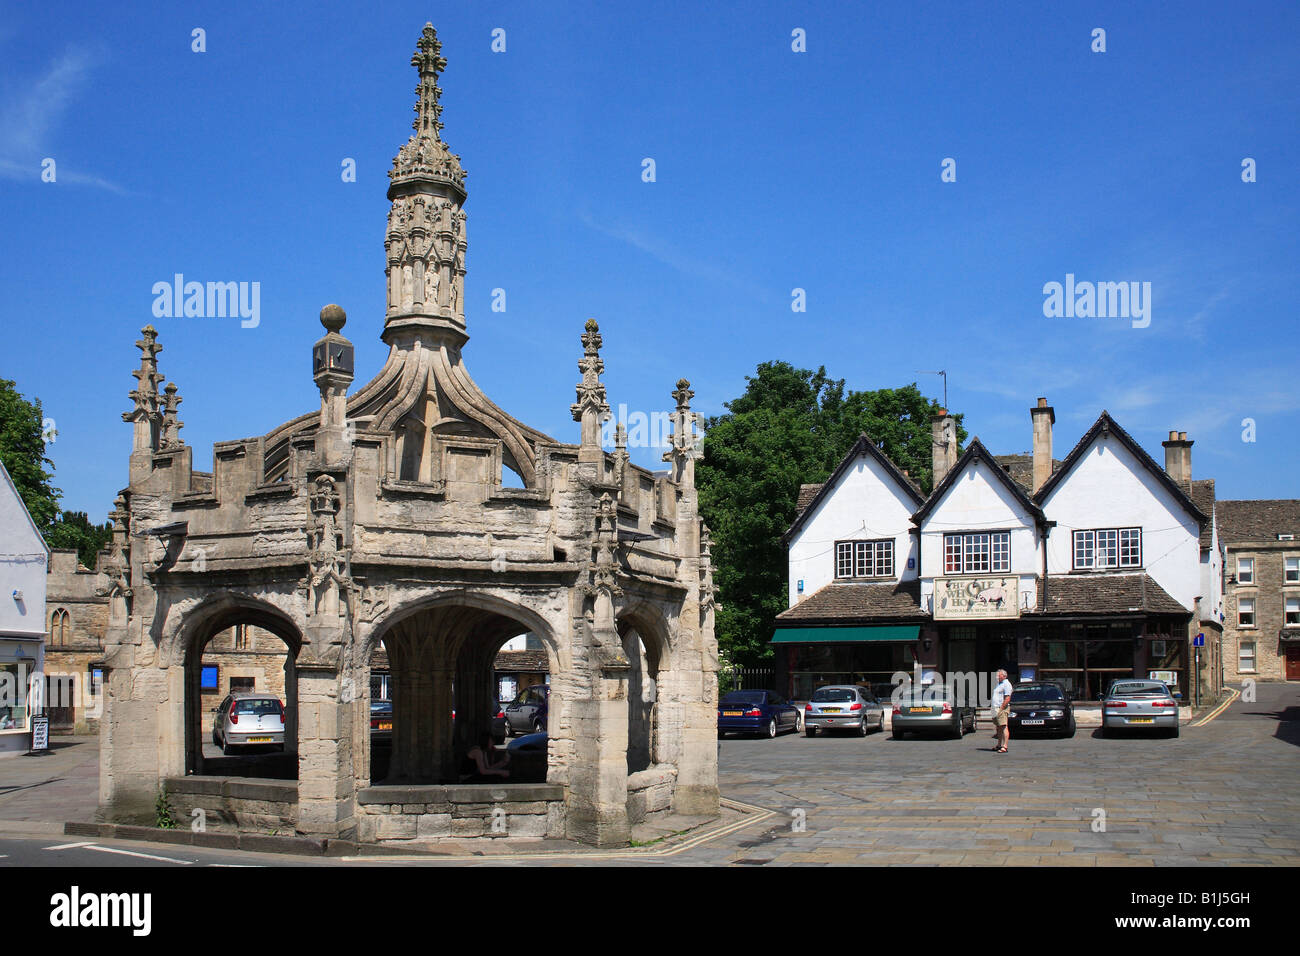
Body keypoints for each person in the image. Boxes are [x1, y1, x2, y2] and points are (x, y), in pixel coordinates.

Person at [991, 668, 1014, 753]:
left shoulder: (1006, 684)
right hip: (996, 708)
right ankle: (999, 745)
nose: (997, 677)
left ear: (1004, 676)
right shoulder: (999, 684)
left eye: (998, 675)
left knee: (1004, 726)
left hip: (1002, 708)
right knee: (998, 727)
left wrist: (1001, 709)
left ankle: (1005, 746)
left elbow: (1007, 698)